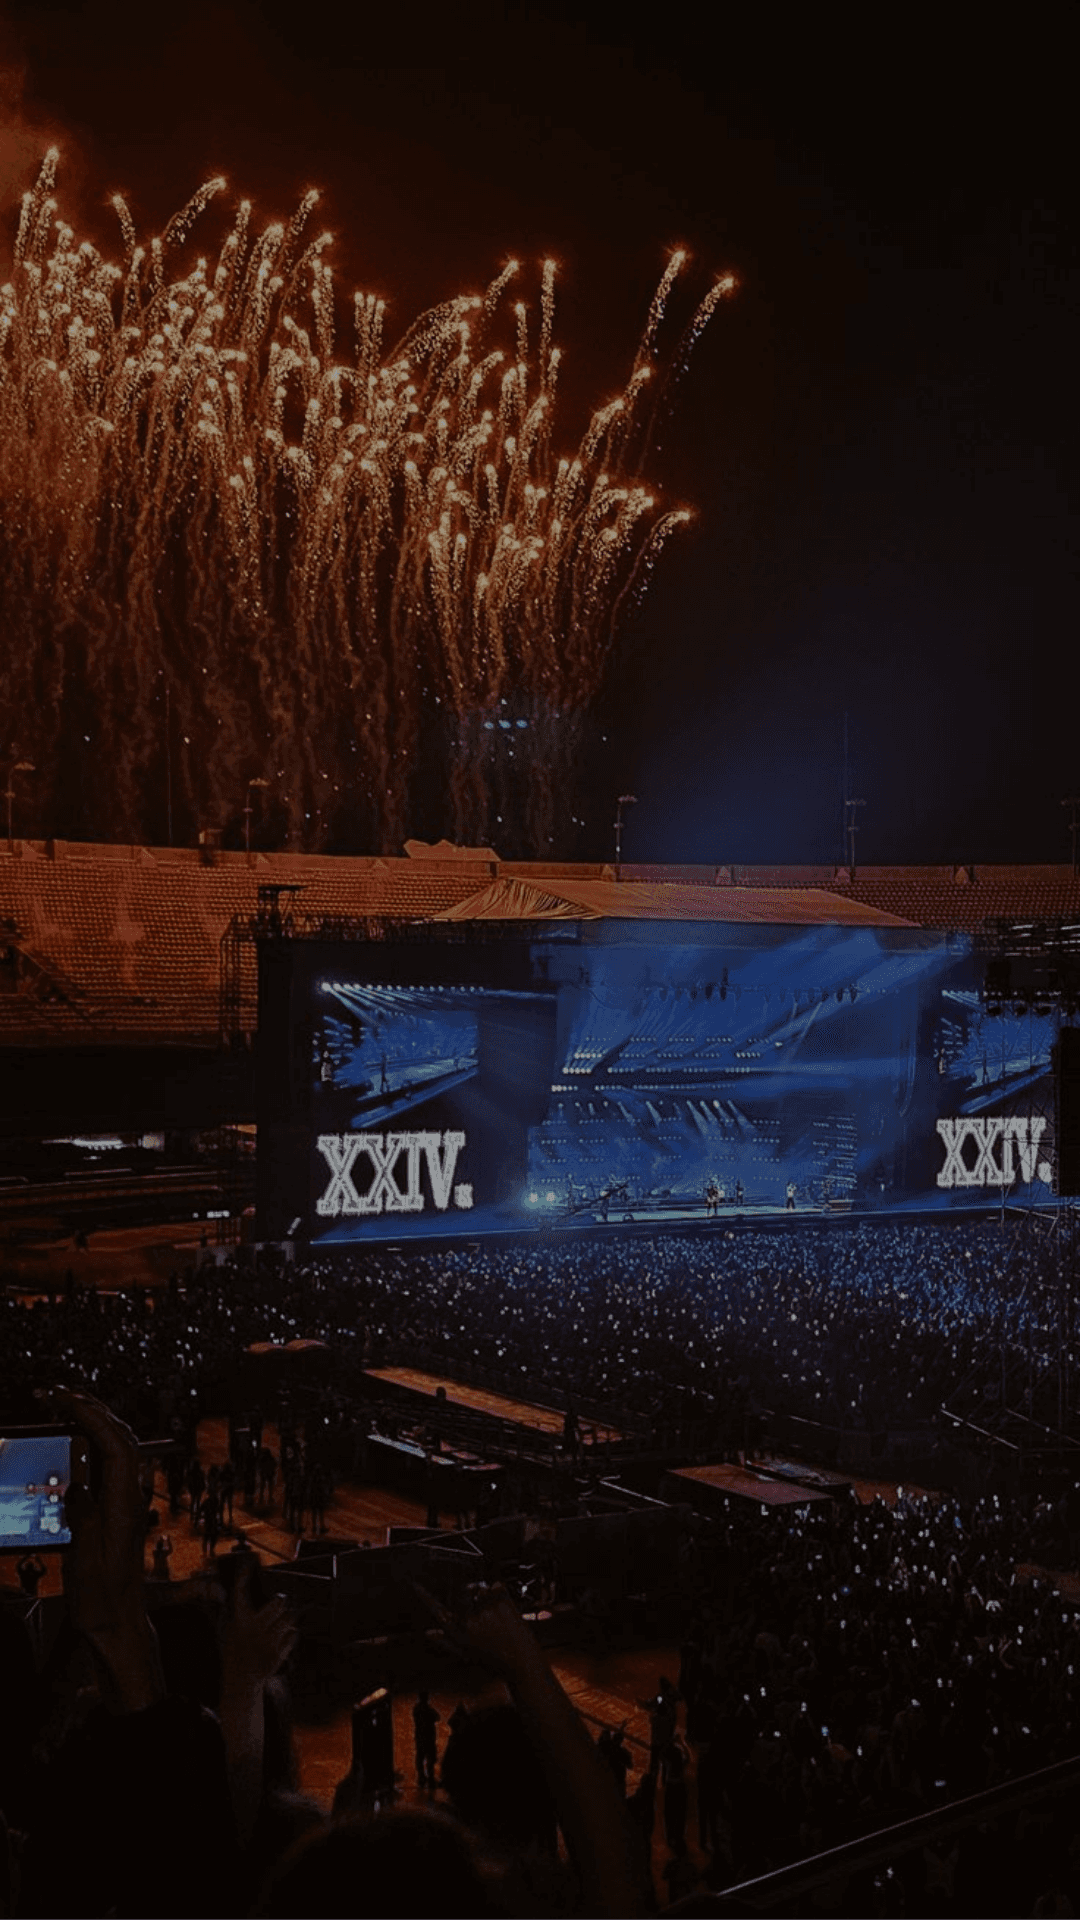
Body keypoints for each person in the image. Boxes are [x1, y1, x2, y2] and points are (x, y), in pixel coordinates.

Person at [413, 1688, 440, 1789]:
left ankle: (421, 1778)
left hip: (420, 1737)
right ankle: (430, 1779)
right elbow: (437, 1717)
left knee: (420, 1759)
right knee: (430, 1759)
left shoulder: (416, 1709)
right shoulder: (429, 1710)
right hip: (429, 1738)